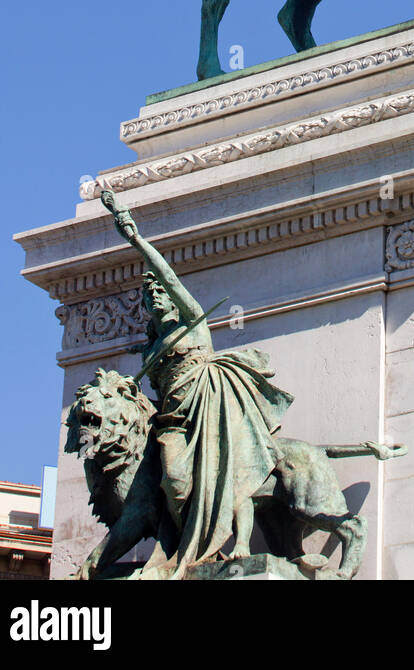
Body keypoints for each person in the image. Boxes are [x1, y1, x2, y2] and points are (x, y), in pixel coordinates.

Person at [100, 189, 292, 579]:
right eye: (148, 295)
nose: (155, 296)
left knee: (227, 475)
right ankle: (185, 543)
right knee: (174, 484)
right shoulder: (150, 349)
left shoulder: (194, 325)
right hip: (171, 422)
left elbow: (168, 275)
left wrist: (136, 240)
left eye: (160, 292)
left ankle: (222, 542)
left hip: (209, 413)